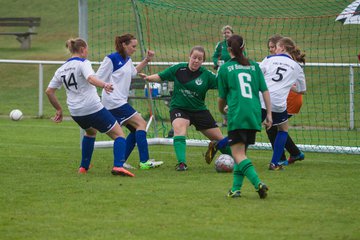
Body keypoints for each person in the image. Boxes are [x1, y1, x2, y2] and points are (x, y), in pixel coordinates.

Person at [46, 37, 134, 177]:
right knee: (119, 135)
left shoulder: (61, 69)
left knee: (90, 132)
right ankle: (118, 166)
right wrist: (104, 85)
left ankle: (83, 167)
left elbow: (49, 91)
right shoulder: (83, 63)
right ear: (82, 50)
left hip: (75, 112)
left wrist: (59, 109)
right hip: (91, 107)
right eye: (87, 49)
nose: (87, 52)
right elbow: (91, 79)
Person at [139, 46, 232, 171]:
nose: (196, 61)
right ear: (189, 56)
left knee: (219, 140)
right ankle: (181, 163)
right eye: (194, 57)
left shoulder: (207, 75)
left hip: (199, 110)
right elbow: (161, 76)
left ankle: (237, 160)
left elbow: (223, 86)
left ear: (202, 61)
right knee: (179, 129)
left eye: (200, 59)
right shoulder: (178, 69)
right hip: (179, 109)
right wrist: (148, 78)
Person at [96, 33, 163, 170]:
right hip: (113, 101)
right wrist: (104, 86)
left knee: (134, 130)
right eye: (133, 46)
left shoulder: (127, 59)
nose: (134, 49)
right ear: (124, 45)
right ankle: (144, 161)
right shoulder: (111, 59)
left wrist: (147, 60)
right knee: (141, 123)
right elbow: (97, 78)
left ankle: (121, 161)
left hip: (119, 101)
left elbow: (132, 72)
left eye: (136, 46)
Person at [217, 34, 272, 199]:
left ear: (228, 50)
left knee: (238, 155)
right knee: (241, 154)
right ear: (244, 48)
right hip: (254, 113)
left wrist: (222, 110)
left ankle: (258, 184)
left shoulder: (225, 69)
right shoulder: (254, 66)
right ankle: (235, 189)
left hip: (237, 113)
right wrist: (268, 113)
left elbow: (221, 97)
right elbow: (265, 91)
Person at [259, 37, 307, 170]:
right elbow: (302, 90)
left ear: (282, 48)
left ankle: (222, 144)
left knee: (246, 128)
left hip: (262, 99)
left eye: (276, 47)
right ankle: (275, 163)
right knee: (283, 129)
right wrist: (289, 86)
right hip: (278, 103)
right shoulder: (296, 66)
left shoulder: (269, 59)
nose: (274, 49)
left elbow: (256, 74)